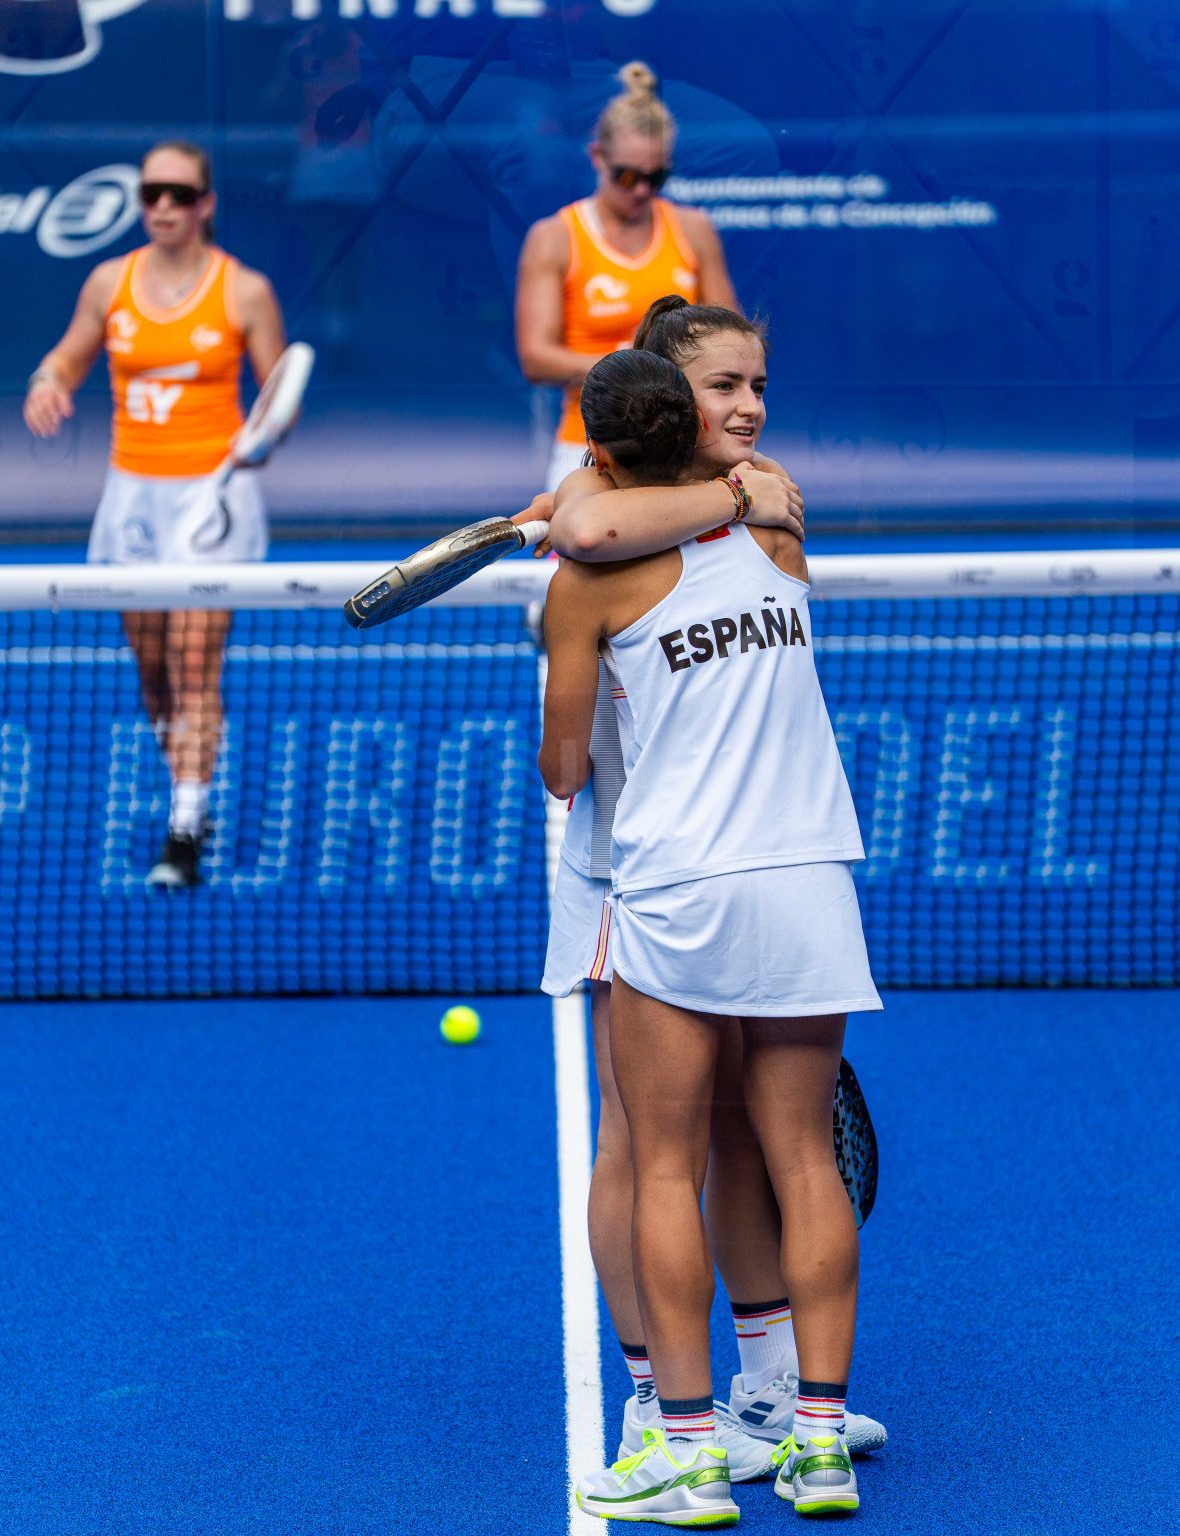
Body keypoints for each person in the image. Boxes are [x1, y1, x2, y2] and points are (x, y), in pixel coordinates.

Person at [534, 297, 886, 1478]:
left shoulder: (748, 503)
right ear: (662, 403)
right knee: (639, 1142)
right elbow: (591, 522)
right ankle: (655, 1401)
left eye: (755, 386)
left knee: (738, 1133)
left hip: (707, 866)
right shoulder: (628, 519)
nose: (746, 409)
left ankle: (763, 1391)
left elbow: (597, 526)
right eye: (720, 388)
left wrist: (694, 497)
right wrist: (596, 507)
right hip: (627, 868)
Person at [23, 140, 287, 889]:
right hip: (132, 497)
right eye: (151, 194)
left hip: (213, 500)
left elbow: (278, 395)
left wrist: (264, 437)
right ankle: (186, 789)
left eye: (180, 194)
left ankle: (185, 823)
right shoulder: (110, 281)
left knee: (193, 658)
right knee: (152, 667)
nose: (163, 207)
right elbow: (69, 355)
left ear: (206, 204)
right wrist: (47, 380)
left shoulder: (244, 290)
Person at [515, 61, 737, 493]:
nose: (641, 190)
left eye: (656, 177)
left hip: (683, 447)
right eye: (628, 175)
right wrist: (638, 368)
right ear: (597, 157)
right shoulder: (555, 237)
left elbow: (729, 340)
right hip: (590, 444)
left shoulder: (693, 230)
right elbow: (536, 358)